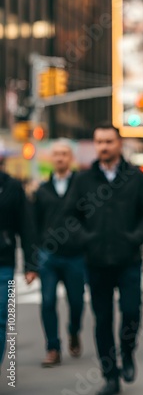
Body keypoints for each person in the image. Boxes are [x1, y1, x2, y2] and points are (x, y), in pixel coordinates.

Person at [62, 124, 143, 395]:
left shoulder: (135, 177)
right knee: (102, 320)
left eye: (108, 141)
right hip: (96, 261)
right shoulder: (83, 180)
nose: (103, 146)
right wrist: (86, 239)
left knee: (131, 312)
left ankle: (127, 352)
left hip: (128, 260)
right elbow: (70, 216)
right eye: (99, 142)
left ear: (119, 143)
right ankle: (110, 376)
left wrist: (135, 237)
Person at [32, 139, 85, 367]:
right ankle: (52, 347)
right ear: (51, 159)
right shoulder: (42, 190)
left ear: (70, 158)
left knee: (76, 302)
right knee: (47, 301)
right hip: (48, 256)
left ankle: (74, 331)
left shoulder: (81, 186)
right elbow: (33, 226)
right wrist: (32, 260)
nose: (60, 157)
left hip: (76, 255)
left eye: (64, 153)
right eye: (56, 154)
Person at [0, 157, 37, 371]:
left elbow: (26, 225)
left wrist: (31, 265)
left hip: (3, 262)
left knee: (1, 318)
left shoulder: (12, 187)